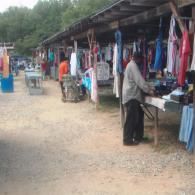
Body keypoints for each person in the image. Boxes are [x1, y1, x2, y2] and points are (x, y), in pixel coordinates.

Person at [122, 52, 154, 146]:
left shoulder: (131, 65)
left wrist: (149, 87)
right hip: (131, 96)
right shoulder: (133, 66)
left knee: (139, 116)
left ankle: (138, 137)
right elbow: (140, 81)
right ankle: (127, 140)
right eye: (141, 60)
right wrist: (149, 90)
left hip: (133, 96)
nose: (141, 62)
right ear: (138, 59)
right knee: (131, 119)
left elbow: (140, 81)